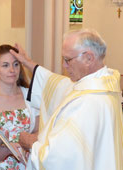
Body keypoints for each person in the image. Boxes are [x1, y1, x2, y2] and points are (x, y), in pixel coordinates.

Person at [9, 29, 123, 170]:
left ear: (88, 58)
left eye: (68, 59)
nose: (64, 65)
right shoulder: (103, 86)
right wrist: (27, 62)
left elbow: (58, 158)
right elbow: (56, 84)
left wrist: (32, 143)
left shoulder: (87, 102)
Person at [0, 44, 39, 170]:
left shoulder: (30, 95)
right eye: (5, 65)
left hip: (26, 164)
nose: (12, 70)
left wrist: (28, 141)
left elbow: (39, 130)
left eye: (16, 64)